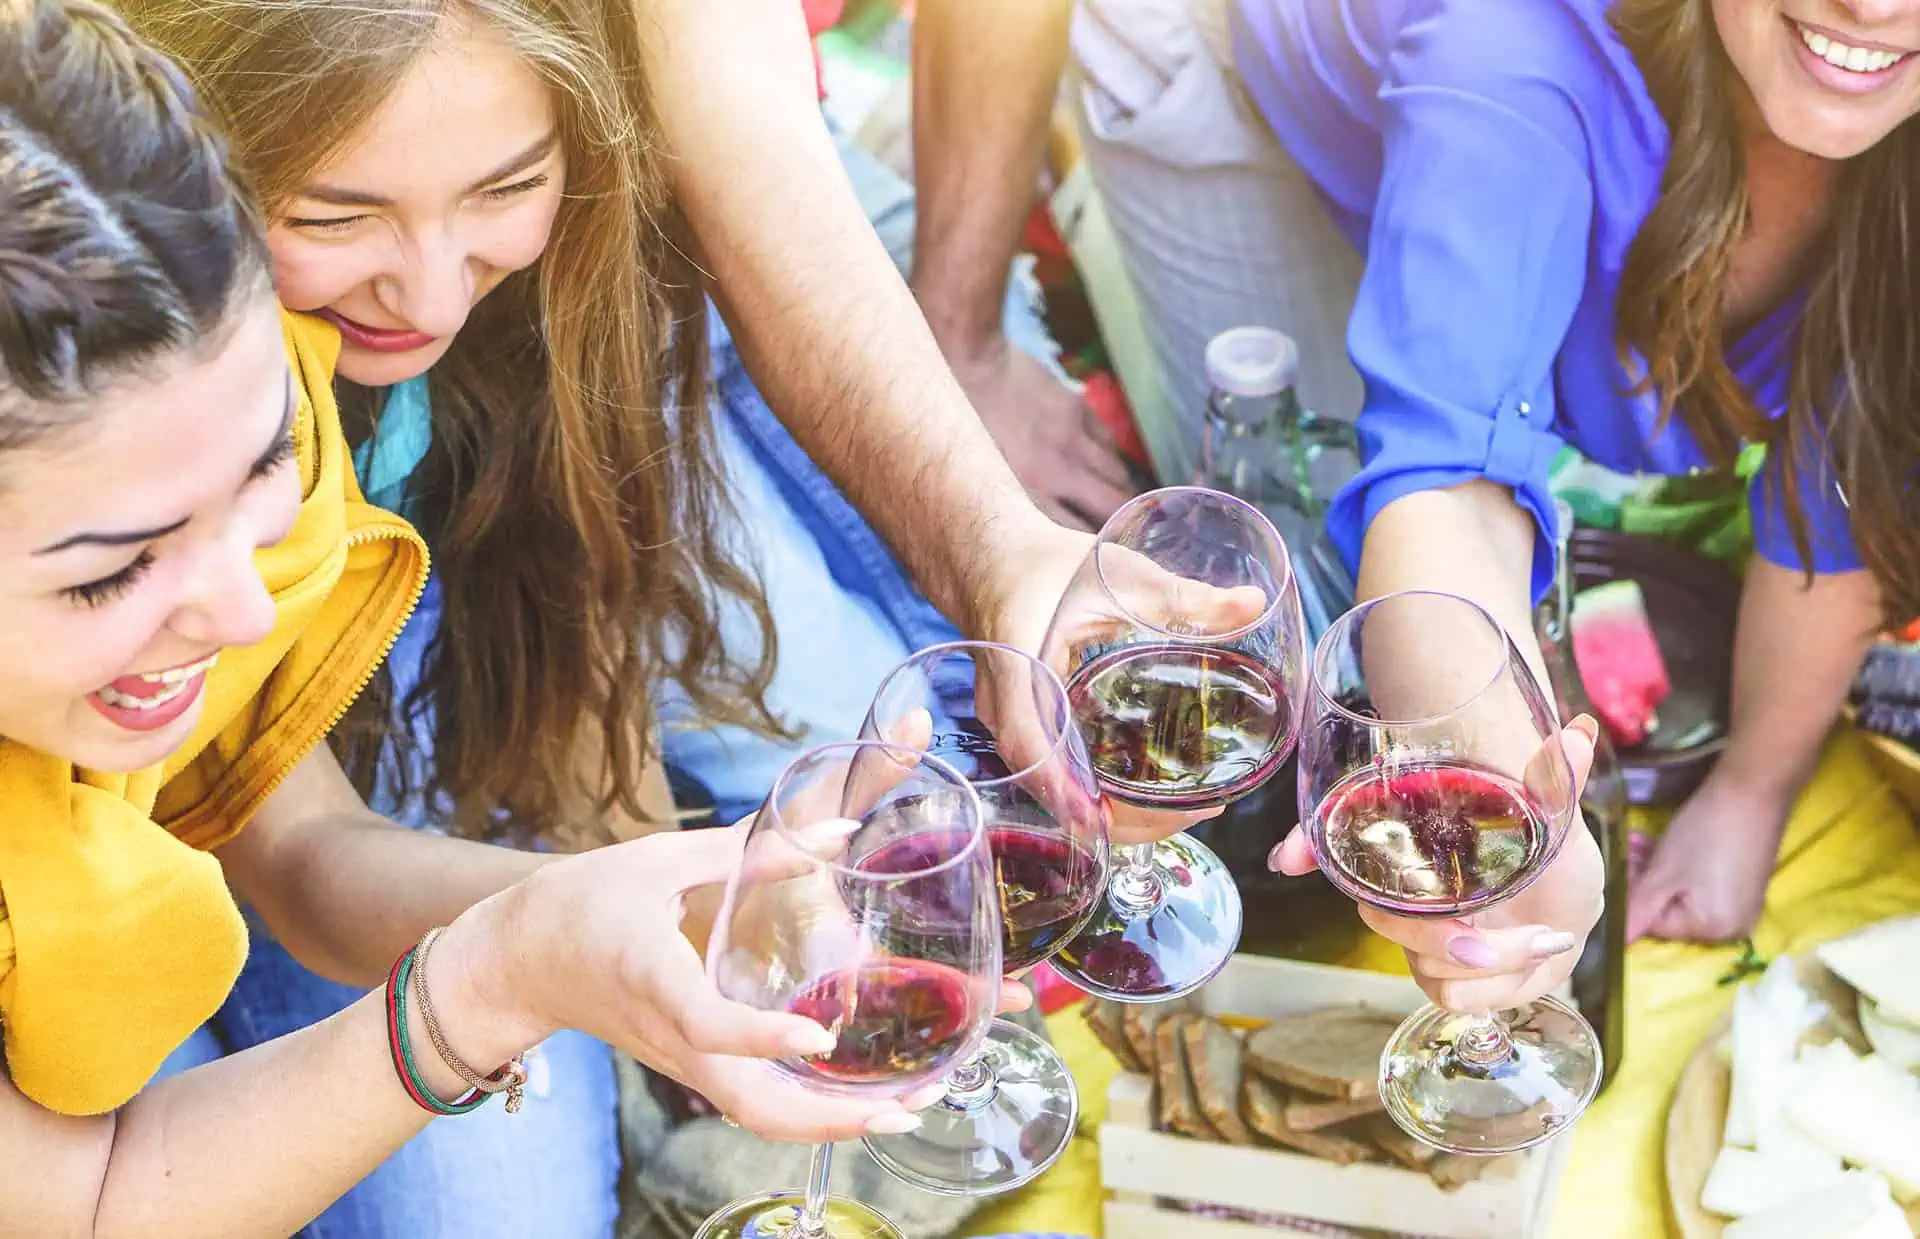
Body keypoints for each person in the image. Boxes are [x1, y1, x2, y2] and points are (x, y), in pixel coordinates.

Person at [0, 4, 941, 1234]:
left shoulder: (201, 371)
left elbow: (298, 842)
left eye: (270, 471)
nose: (247, 608)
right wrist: (499, 975)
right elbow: (91, 1202)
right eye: (108, 571)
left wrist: (591, 920)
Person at [1055, 0, 1913, 950]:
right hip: (1247, 79)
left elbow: (1855, 472)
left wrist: (1753, 793)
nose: (1872, 6)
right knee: (1302, 552)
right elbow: (1446, 484)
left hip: (1502, 119)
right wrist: (1515, 826)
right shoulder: (1513, 47)